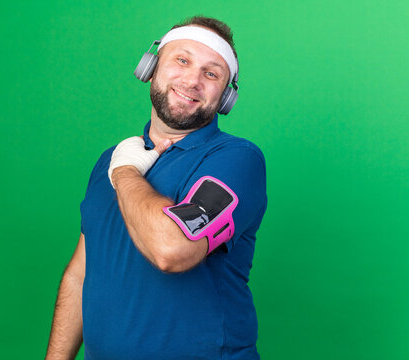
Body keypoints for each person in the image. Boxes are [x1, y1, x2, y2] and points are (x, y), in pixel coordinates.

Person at [46, 16, 267, 360]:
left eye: (211, 74)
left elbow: (172, 249)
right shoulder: (111, 160)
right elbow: (81, 274)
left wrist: (125, 174)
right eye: (182, 60)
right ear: (150, 66)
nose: (192, 80)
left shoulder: (236, 160)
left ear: (225, 97)